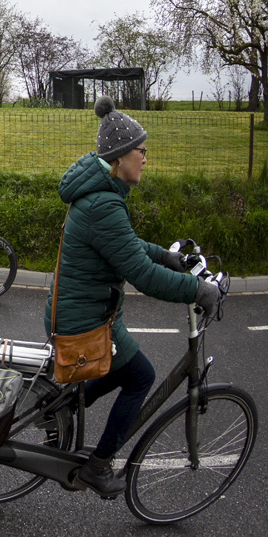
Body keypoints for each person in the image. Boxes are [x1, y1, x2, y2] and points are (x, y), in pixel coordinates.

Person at [44, 95, 221, 498]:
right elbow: (141, 275)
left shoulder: (102, 195)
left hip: (84, 311)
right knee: (140, 376)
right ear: (122, 156)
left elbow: (129, 246)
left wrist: (168, 256)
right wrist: (198, 289)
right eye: (142, 151)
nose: (146, 158)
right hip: (81, 320)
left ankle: (63, 406)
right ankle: (98, 466)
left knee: (122, 371)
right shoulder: (104, 203)